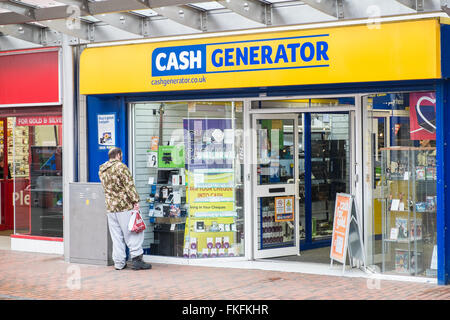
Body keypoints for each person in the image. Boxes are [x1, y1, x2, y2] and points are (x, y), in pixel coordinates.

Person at [99, 147, 151, 271]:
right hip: (124, 206)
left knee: (116, 236)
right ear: (118, 155)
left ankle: (119, 263)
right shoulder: (121, 167)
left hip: (111, 207)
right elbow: (129, 185)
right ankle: (137, 260)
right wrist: (135, 201)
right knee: (133, 233)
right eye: (121, 155)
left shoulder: (102, 169)